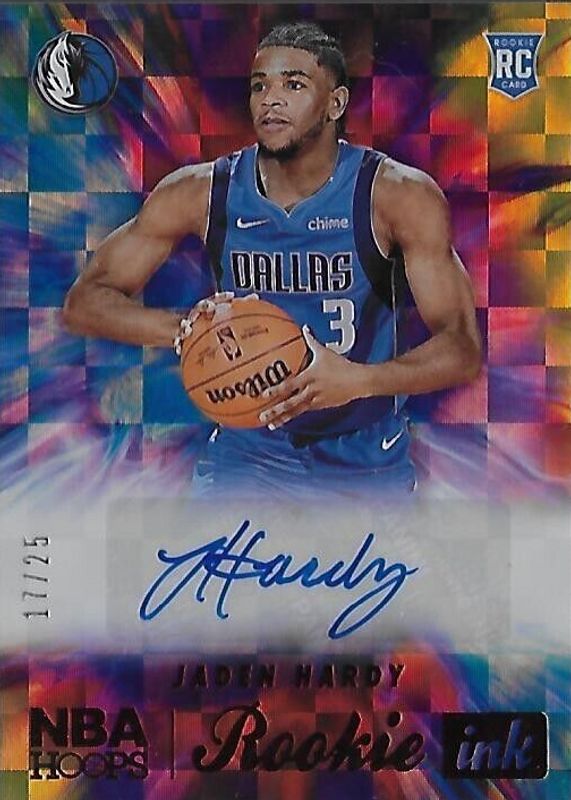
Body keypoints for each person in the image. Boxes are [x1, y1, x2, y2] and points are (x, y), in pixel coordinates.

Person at [63, 21, 481, 500]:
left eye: (294, 85)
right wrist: (184, 329)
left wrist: (360, 380)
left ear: (335, 104)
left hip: (363, 459)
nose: (271, 100)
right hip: (246, 458)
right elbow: (85, 302)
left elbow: (461, 348)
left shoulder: (396, 195)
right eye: (260, 86)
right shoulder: (201, 191)